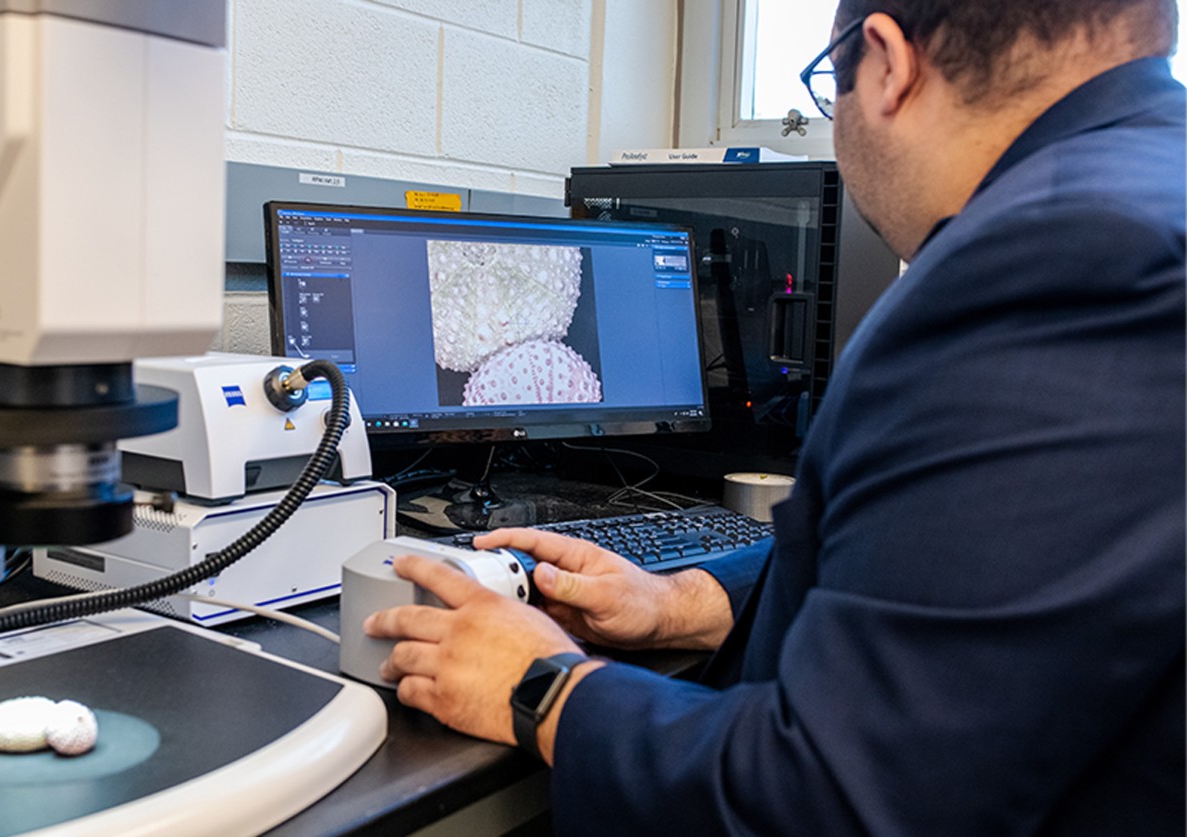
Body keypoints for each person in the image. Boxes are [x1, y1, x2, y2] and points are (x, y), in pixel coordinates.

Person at [365, 0, 1186, 832]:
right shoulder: (1149, 196)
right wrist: (683, 598)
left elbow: (841, 800)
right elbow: (981, 598)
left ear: (888, 62)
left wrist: (543, 685)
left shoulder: (1061, 259)